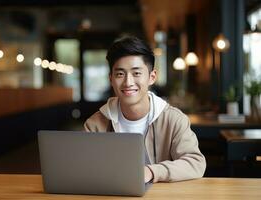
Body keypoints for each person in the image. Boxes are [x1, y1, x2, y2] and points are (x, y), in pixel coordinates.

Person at [84, 36, 206, 183]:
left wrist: (151, 171)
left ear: (152, 77)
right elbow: (87, 170)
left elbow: (195, 163)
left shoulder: (173, 119)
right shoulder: (95, 124)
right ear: (111, 79)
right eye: (120, 74)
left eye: (136, 73)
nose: (128, 82)